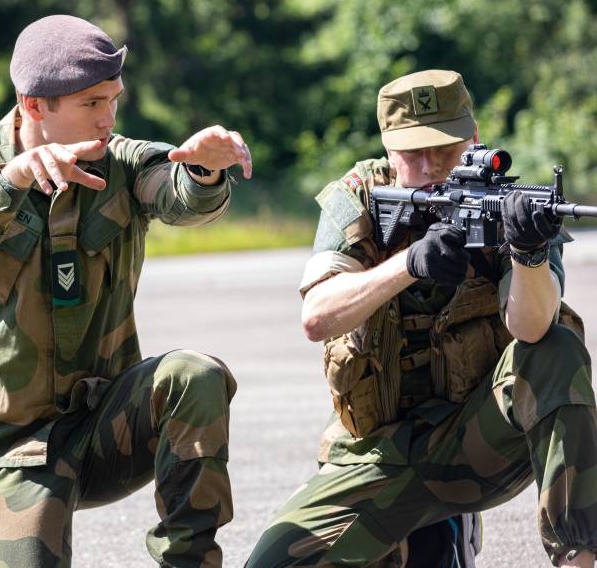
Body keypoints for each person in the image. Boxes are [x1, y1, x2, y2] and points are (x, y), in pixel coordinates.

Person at [0, 14, 251, 566]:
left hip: (105, 429)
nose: (109, 116)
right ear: (34, 104)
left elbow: (175, 190)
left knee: (194, 375)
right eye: (92, 102)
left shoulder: (122, 161)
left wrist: (205, 173)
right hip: (7, 447)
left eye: (114, 98)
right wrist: (10, 181)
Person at [246, 70, 597, 567]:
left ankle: (579, 556)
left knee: (558, 349)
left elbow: (533, 330)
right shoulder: (359, 197)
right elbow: (317, 317)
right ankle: (431, 534)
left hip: (476, 446)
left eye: (447, 150)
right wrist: (407, 266)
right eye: (413, 152)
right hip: (376, 453)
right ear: (388, 148)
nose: (431, 166)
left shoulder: (511, 208)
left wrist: (528, 253)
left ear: (473, 139)